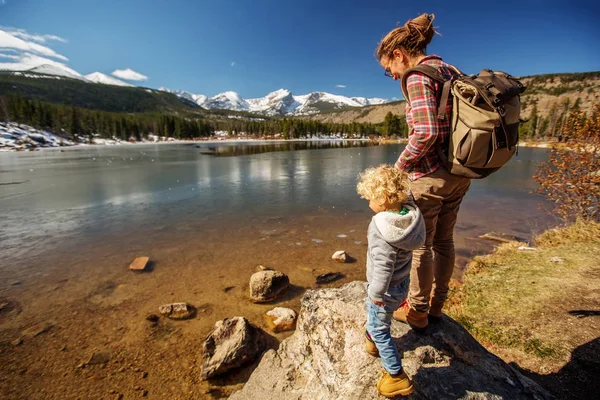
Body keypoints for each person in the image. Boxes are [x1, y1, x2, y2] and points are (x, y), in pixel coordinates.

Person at [375, 13, 471, 331]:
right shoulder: (450, 70)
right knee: (444, 241)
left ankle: (417, 311)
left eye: (389, 69)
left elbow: (427, 132)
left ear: (399, 54)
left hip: (430, 177)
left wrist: (398, 169)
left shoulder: (416, 76)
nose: (391, 76)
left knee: (421, 246)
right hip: (460, 172)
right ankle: (437, 307)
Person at [356, 164, 425, 398]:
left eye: (371, 199)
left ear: (384, 199)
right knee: (376, 320)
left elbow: (383, 266)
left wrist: (375, 294)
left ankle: (396, 376)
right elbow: (410, 197)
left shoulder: (381, 227)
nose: (368, 204)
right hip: (402, 284)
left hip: (385, 290)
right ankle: (370, 339)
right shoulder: (410, 216)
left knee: (380, 328)